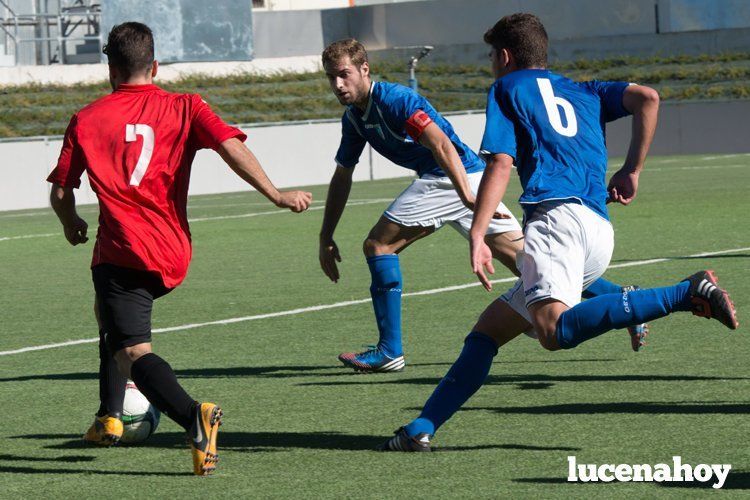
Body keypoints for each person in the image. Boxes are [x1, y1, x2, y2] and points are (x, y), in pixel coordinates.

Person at [378, 13, 738, 451]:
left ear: (506, 56)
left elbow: (500, 162)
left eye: (493, 55)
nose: (492, 63)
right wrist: (632, 170)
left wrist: (477, 232)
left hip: (555, 223)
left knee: (553, 332)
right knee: (488, 332)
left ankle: (684, 293)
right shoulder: (583, 90)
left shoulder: (507, 88)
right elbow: (648, 97)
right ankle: (421, 429)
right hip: (597, 229)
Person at [47, 22, 312, 474]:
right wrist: (276, 194)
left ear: (110, 69)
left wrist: (71, 221)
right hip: (171, 249)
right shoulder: (186, 106)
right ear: (155, 66)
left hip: (124, 250)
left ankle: (193, 417)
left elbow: (61, 190)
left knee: (132, 351)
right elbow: (231, 147)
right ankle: (109, 415)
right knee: (105, 315)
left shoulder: (87, 118)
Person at [319, 39, 647, 374]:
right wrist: (325, 236)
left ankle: (390, 350)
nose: (338, 84)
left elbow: (441, 145)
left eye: (344, 74)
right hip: (468, 180)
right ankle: (624, 300)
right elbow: (342, 175)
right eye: (331, 77)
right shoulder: (355, 119)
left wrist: (464, 194)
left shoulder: (396, 99)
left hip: (450, 178)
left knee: (378, 245)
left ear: (364, 69)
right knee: (532, 264)